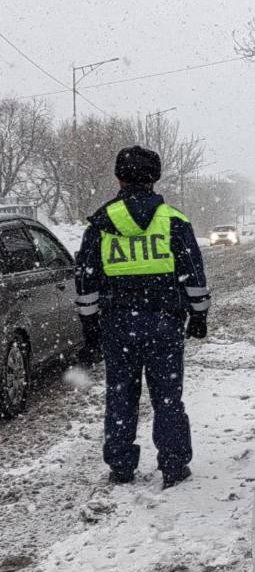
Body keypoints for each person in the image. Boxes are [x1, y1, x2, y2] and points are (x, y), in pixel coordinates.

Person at [74, 146, 210, 488]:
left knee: (120, 395)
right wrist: (198, 314)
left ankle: (121, 465)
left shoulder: (101, 223)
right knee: (167, 397)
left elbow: (85, 278)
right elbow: (194, 272)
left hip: (117, 326)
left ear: (119, 178)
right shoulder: (174, 221)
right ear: (155, 177)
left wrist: (90, 324)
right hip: (165, 323)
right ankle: (174, 465)